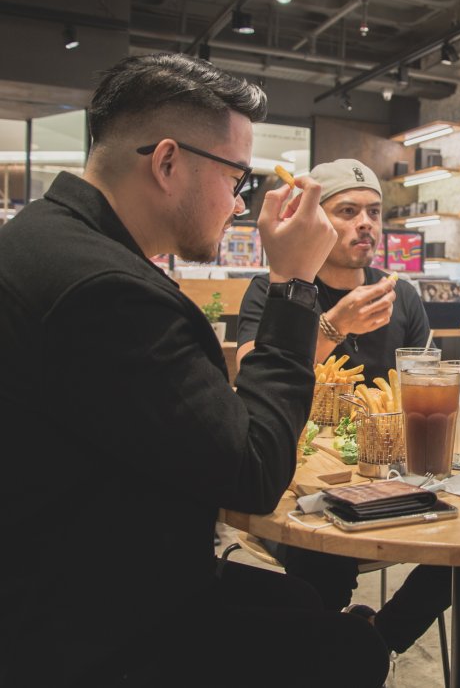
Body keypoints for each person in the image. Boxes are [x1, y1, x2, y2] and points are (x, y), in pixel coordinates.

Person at [0, 53, 389, 687]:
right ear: (167, 162)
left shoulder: (39, 238)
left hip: (70, 569)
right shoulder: (107, 291)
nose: (240, 204)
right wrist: (291, 284)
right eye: (236, 177)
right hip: (86, 627)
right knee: (353, 651)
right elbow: (254, 470)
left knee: (304, 604)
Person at [236, 157, 451, 657]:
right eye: (348, 211)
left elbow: (426, 382)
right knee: (322, 565)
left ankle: (377, 642)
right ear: (315, 219)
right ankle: (331, 656)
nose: (366, 225)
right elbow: (250, 374)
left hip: (395, 474)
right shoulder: (276, 289)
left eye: (374, 213)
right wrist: (332, 326)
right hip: (305, 477)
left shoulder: (402, 295)